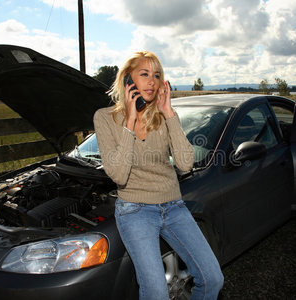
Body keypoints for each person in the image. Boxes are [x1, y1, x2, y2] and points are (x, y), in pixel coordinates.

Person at [93, 51, 224, 299]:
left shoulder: (163, 117)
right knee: (156, 292)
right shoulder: (105, 118)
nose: (152, 81)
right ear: (127, 80)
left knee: (212, 278)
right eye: (144, 74)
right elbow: (119, 175)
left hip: (173, 206)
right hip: (135, 210)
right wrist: (129, 123)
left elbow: (186, 164)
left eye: (156, 75)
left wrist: (169, 113)